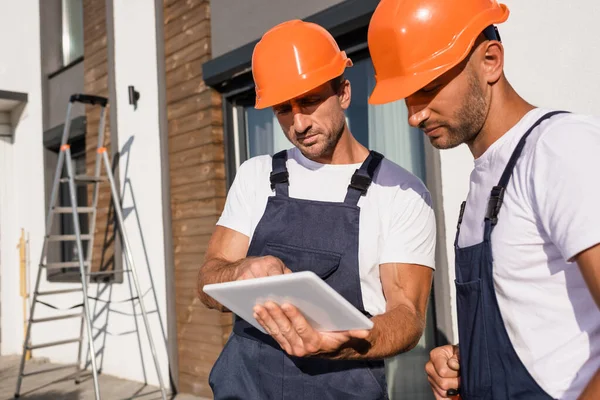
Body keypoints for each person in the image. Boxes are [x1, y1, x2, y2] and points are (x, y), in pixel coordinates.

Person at [367, 0, 600, 399]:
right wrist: (469, 365)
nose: (413, 115)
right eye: (405, 97)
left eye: (425, 89)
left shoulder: (559, 149)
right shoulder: (482, 183)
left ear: (490, 60)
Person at [196, 19, 436, 400]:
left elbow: (407, 318)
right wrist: (239, 272)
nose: (298, 123)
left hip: (343, 383)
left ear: (343, 92)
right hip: (244, 385)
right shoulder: (257, 175)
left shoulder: (400, 192)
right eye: (283, 110)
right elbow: (208, 282)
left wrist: (343, 342)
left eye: (308, 101)